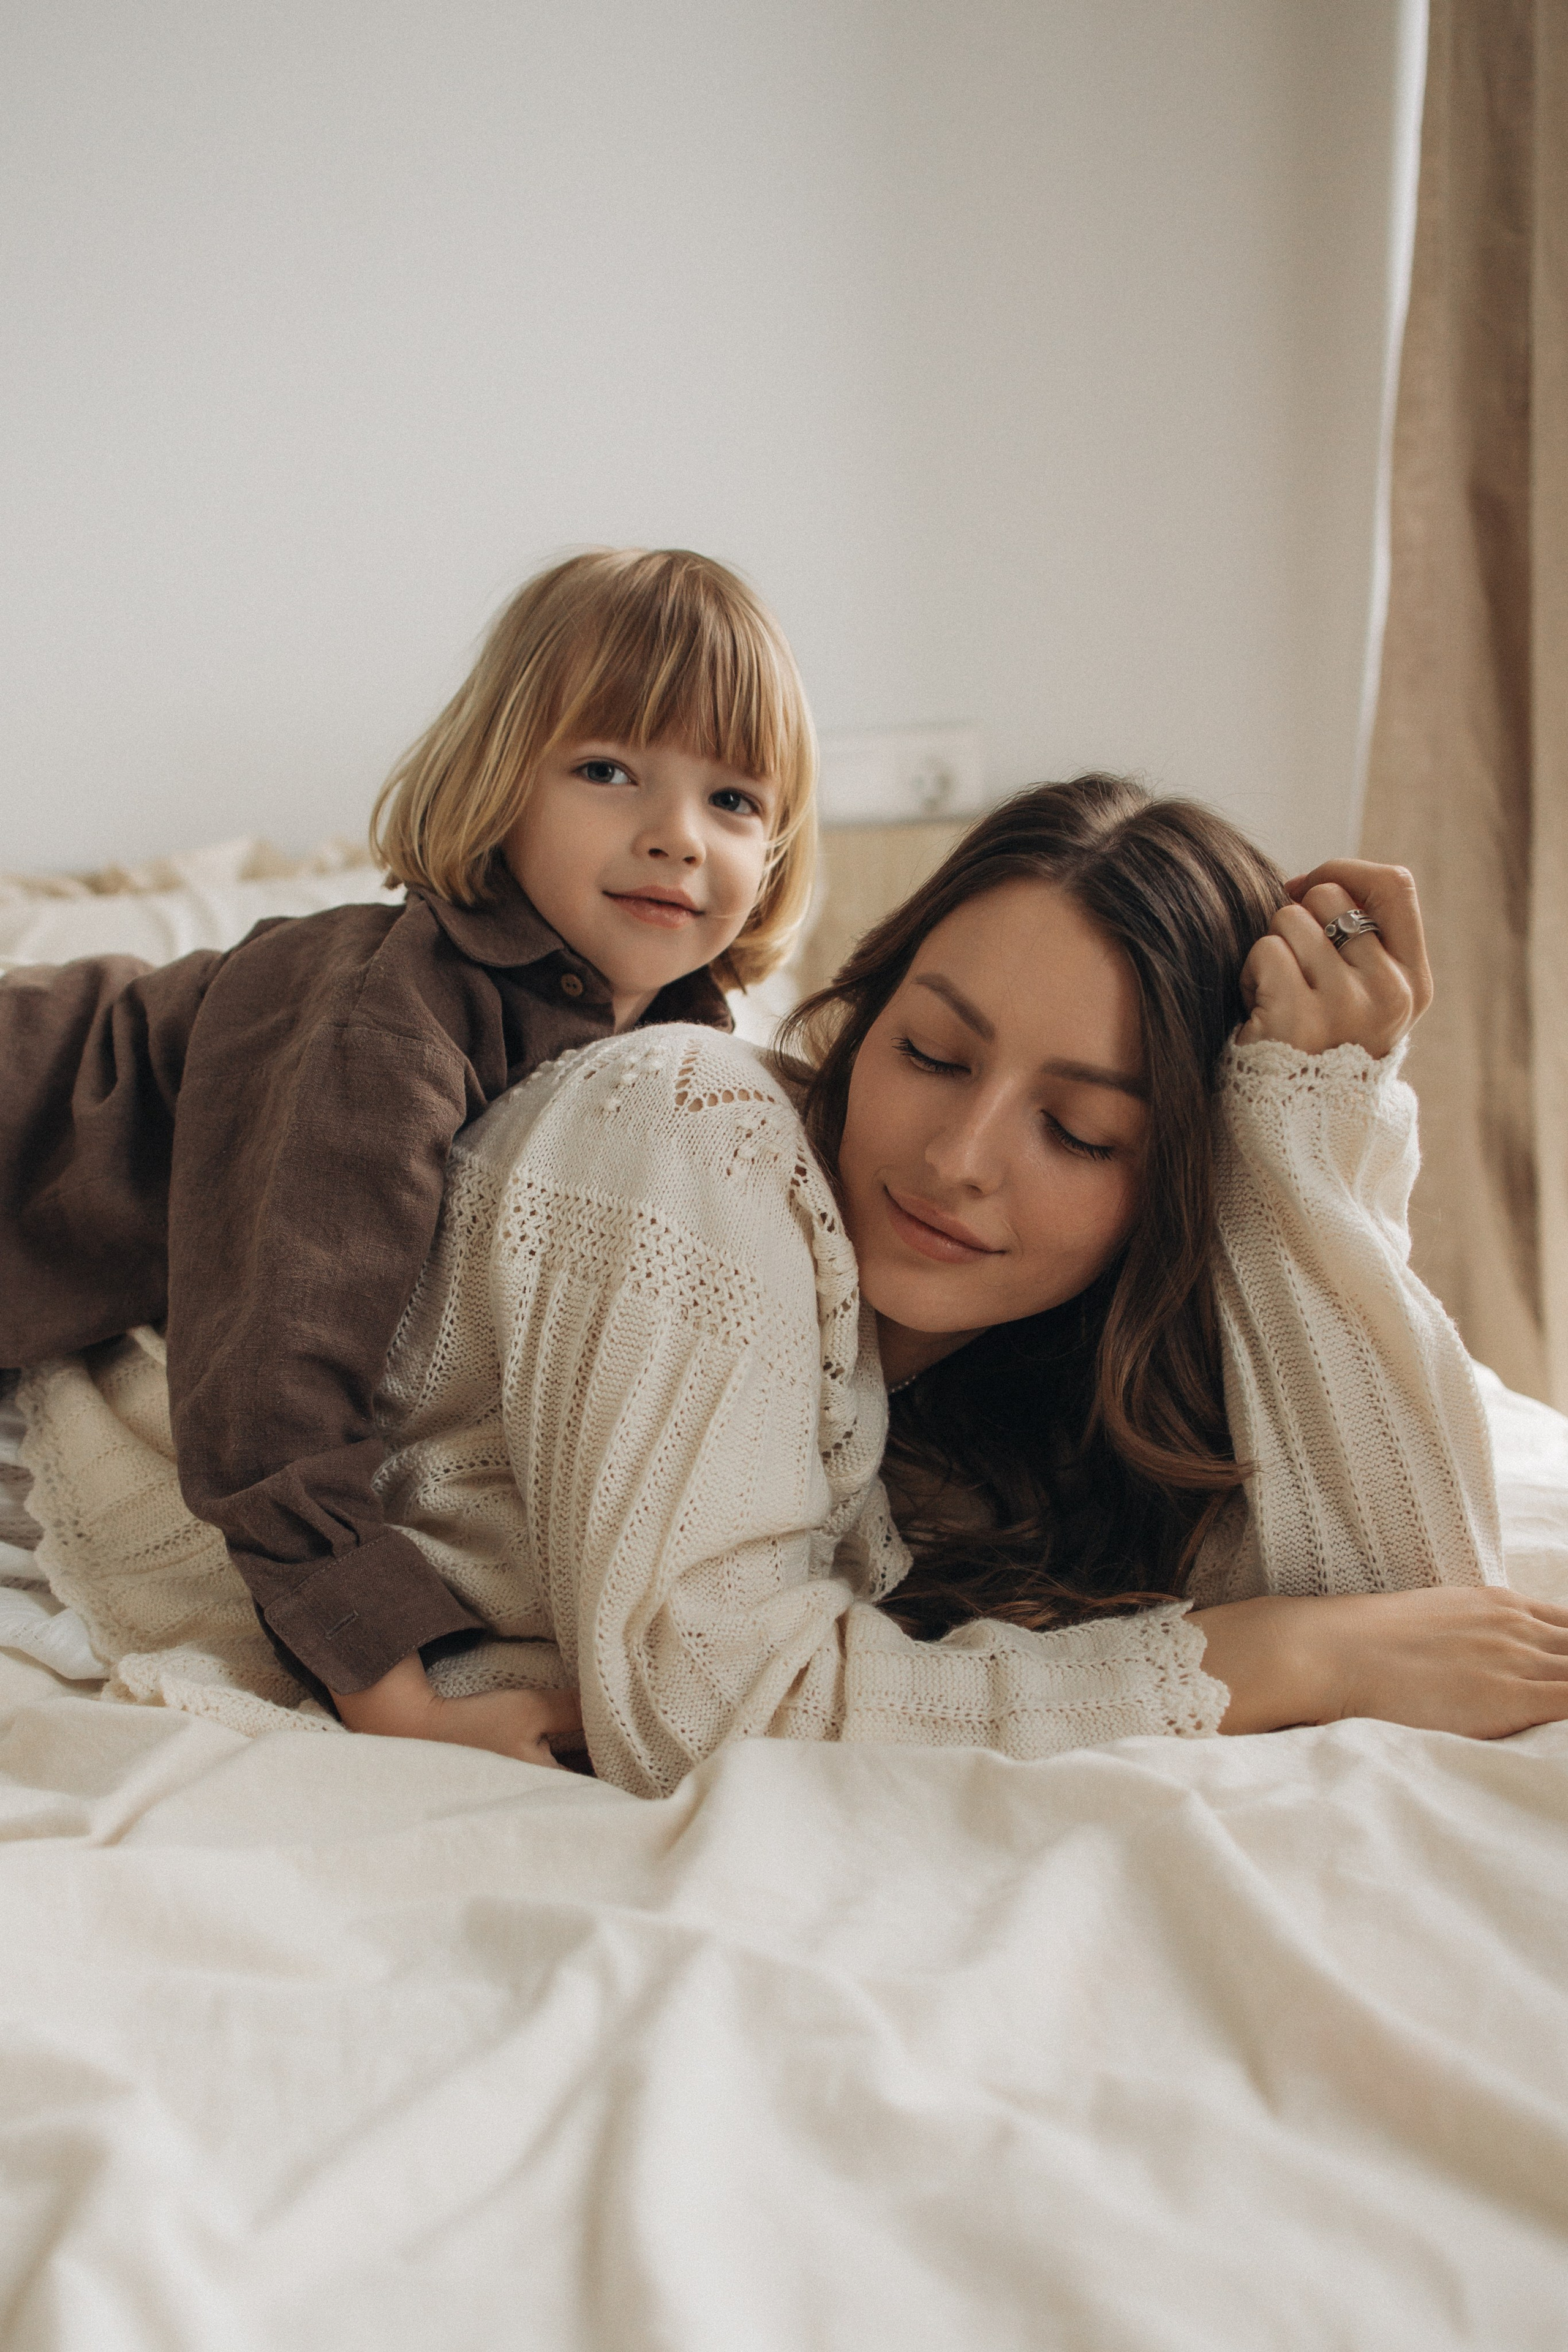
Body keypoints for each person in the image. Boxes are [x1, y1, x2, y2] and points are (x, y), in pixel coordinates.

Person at [28, 774, 1568, 1784]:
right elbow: (706, 1709)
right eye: (932, 1053)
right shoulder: (690, 1123)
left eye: (1079, 1132)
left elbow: (1414, 1601)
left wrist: (1295, 1135)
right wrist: (1257, 1661)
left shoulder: (987, 1382)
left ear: (1176, 1181)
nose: (958, 1157)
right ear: (864, 1015)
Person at [0, 548, 817, 1710]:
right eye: (607, 769)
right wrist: (395, 1694)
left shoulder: (694, 1066)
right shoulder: (387, 1011)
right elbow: (273, 1375)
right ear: (499, 782)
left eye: (734, 800)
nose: (679, 835)